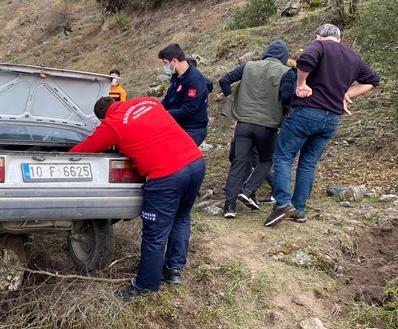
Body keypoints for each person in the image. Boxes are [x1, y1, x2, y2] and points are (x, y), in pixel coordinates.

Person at [69, 96, 205, 301]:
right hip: (195, 163)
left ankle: (146, 286)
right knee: (181, 217)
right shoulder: (149, 102)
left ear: (102, 118)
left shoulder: (112, 124)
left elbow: (86, 149)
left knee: (154, 235)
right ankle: (173, 270)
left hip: (167, 175)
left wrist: (63, 156)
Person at [264, 24, 380, 227]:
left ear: (319, 36)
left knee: (283, 157)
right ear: (339, 38)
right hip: (332, 118)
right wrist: (346, 94)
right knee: (308, 163)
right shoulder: (353, 57)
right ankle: (299, 210)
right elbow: (372, 80)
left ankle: (283, 204)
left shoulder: (320, 45)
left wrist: (301, 84)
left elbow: (305, 60)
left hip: (307, 112)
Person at [218, 40, 296, 218]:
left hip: (243, 123)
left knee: (239, 163)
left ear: (266, 52)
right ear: (284, 57)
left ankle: (229, 207)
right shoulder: (286, 71)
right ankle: (248, 191)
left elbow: (224, 79)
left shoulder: (249, 66)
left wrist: (230, 97)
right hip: (267, 127)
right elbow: (286, 99)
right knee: (266, 160)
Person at [158, 43, 210, 146]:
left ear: (174, 61)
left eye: (165, 63)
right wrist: (157, 110)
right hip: (177, 125)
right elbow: (168, 99)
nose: (165, 67)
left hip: (192, 129)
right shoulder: (176, 77)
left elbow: (188, 111)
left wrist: (165, 114)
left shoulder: (194, 80)